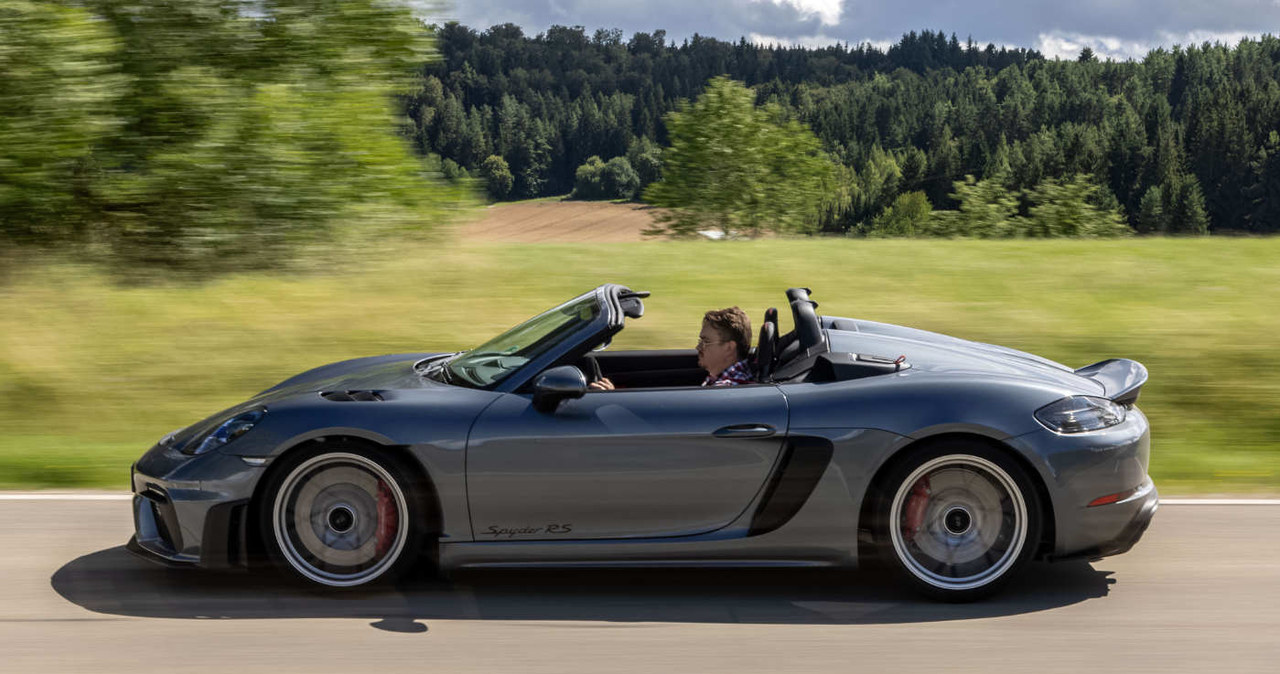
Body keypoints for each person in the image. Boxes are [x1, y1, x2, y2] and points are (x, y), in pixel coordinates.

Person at [589, 307, 755, 390]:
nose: (698, 347)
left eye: (705, 341)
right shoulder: (719, 379)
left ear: (729, 348)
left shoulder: (727, 389)